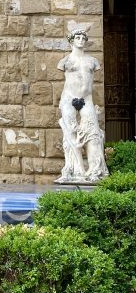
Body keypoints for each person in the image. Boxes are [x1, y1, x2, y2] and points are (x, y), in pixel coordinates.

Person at [57, 29, 108, 183]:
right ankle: (73, 170)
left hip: (86, 99)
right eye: (77, 37)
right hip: (68, 98)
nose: (80, 40)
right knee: (70, 133)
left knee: (92, 133)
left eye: (82, 37)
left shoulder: (92, 61)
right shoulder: (64, 61)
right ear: (71, 41)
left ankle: (95, 170)